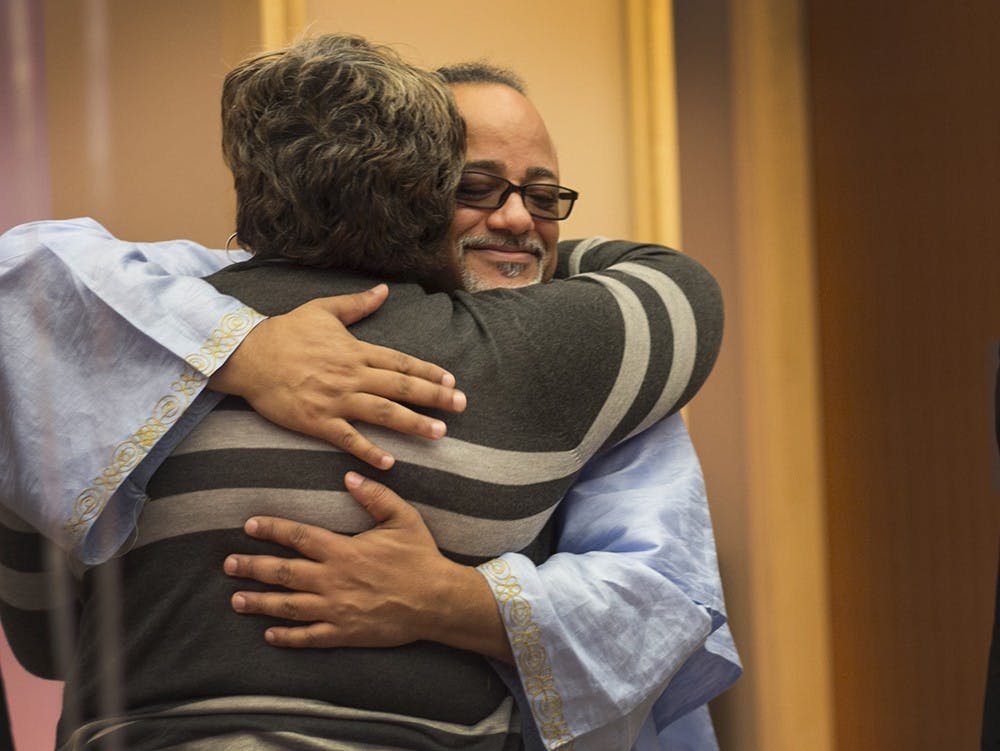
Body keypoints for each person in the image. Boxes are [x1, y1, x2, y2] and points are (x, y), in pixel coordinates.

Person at [0, 34, 725, 750]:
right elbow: (681, 289)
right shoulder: (147, 325)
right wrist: (238, 348)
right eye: (475, 188)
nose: (513, 218)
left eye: (542, 197)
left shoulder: (103, 350)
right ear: (417, 192)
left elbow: (666, 599)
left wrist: (455, 601)